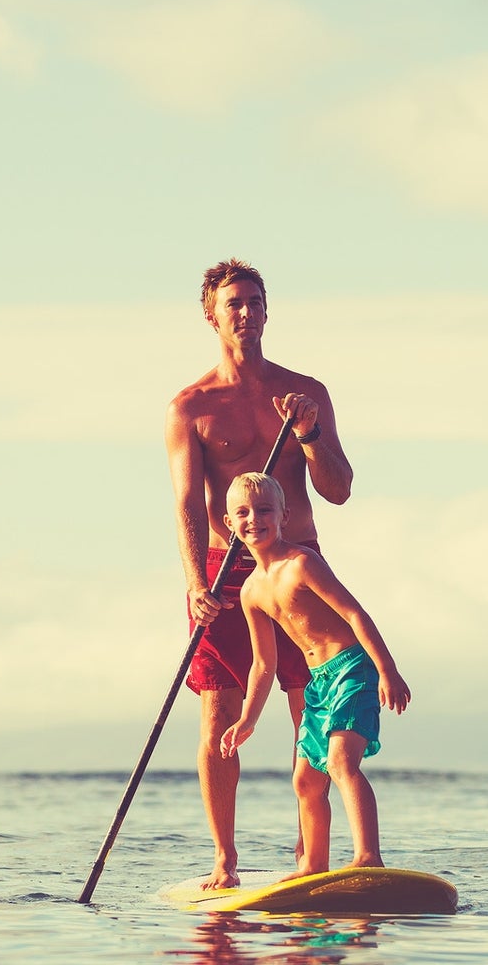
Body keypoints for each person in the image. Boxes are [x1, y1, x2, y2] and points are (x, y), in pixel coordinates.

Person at [167, 259, 354, 890]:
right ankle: (224, 859)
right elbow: (190, 504)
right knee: (220, 715)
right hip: (225, 570)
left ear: (268, 310)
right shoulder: (191, 407)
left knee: (313, 709)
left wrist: (309, 433)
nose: (246, 313)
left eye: (255, 301)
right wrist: (197, 581)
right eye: (234, 304)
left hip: (297, 563)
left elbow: (338, 489)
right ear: (212, 316)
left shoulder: (306, 392)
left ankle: (311, 855)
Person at [218, 472, 410, 877]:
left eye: (265, 510)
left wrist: (386, 670)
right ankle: (313, 864)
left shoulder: (303, 564)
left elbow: (354, 613)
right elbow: (263, 665)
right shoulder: (251, 591)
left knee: (341, 763)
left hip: (353, 669)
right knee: (306, 780)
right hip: (318, 683)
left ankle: (368, 858)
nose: (254, 519)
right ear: (229, 524)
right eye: (243, 513)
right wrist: (247, 719)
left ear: (285, 516)